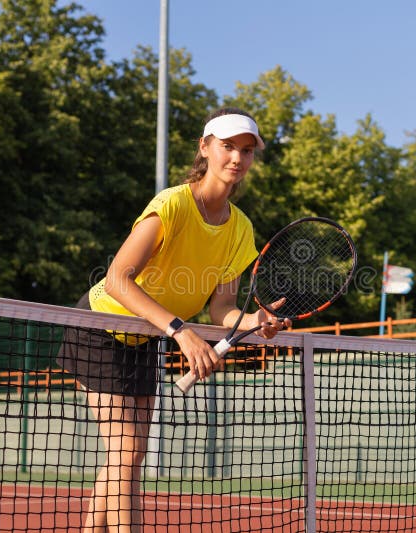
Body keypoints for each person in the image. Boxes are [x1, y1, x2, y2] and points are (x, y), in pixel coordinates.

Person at [57, 107, 290, 532]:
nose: (237, 158)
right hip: (98, 326)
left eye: (246, 150)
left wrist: (256, 320)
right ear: (205, 147)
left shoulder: (240, 228)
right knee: (126, 451)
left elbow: (222, 310)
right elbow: (116, 279)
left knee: (126, 456)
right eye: (227, 147)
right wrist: (180, 332)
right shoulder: (172, 204)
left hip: (147, 337)